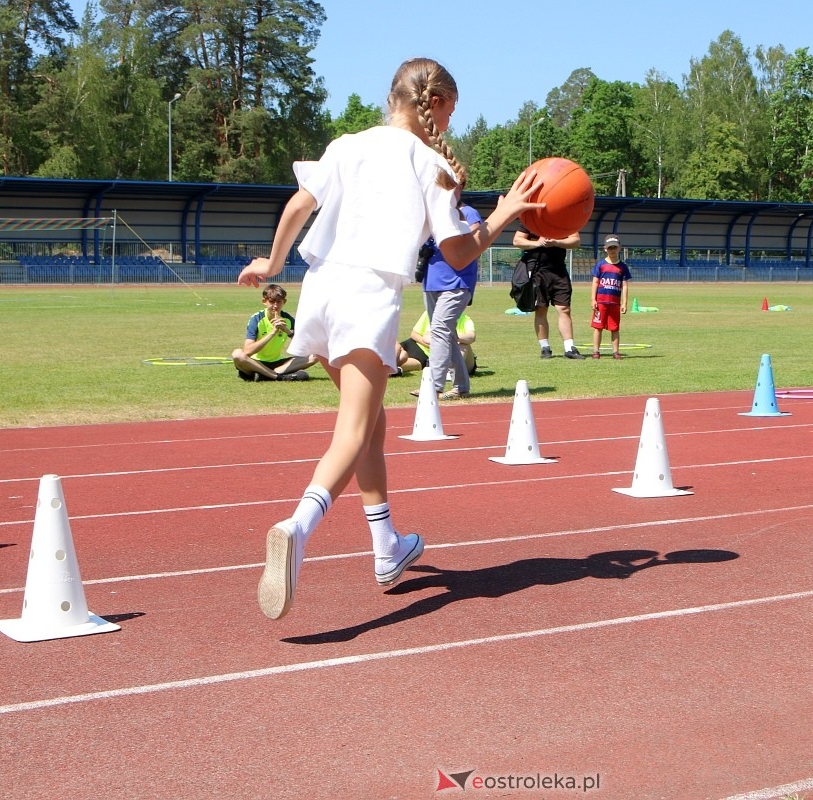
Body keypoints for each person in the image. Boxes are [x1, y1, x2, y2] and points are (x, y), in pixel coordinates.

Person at [236, 57, 541, 620]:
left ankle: (386, 549)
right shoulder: (430, 163)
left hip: (320, 289)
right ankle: (297, 528)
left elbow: (300, 203)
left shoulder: (348, 143)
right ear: (439, 105)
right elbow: (458, 252)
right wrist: (502, 216)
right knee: (352, 432)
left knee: (372, 424)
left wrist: (272, 260)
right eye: (452, 110)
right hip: (368, 296)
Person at [419, 192, 481, 399]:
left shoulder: (467, 212)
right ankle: (461, 387)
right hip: (431, 280)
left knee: (439, 330)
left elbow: (476, 239)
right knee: (446, 335)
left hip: (457, 281)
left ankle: (434, 386)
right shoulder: (433, 212)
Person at [513, 223, 585, 359]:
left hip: (559, 271)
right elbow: (517, 240)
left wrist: (557, 242)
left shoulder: (563, 219)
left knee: (564, 309)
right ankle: (545, 348)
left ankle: (569, 348)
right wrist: (538, 243)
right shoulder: (532, 219)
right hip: (537, 271)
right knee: (541, 309)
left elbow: (575, 240)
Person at [231, 284, 320, 381]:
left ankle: (265, 375)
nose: (275, 306)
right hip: (256, 363)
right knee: (237, 354)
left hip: (277, 363)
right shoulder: (256, 319)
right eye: (272, 302)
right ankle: (277, 376)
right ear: (264, 302)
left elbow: (305, 346)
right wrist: (273, 332)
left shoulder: (288, 320)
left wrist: (286, 331)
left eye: (279, 302)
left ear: (284, 302)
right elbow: (248, 351)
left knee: (317, 355)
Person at [395, 310, 477, 379]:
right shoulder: (429, 313)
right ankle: (389, 369)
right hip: (416, 345)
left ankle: (450, 371)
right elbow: (414, 334)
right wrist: (433, 346)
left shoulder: (465, 319)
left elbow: (472, 337)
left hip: (427, 356)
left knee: (408, 363)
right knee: (396, 351)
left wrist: (450, 338)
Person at [590, 235, 632, 359]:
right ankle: (596, 351)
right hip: (601, 302)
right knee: (598, 327)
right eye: (610, 248)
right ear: (605, 249)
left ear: (619, 248)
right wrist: (593, 299)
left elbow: (624, 285)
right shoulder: (601, 265)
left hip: (615, 303)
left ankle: (615, 351)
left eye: (614, 247)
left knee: (614, 328)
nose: (612, 250)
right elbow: (595, 282)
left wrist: (624, 303)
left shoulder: (622, 267)